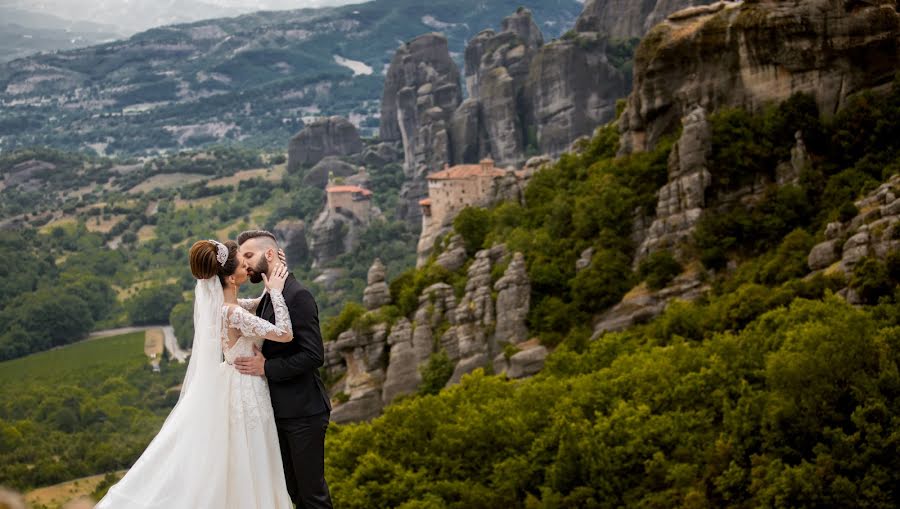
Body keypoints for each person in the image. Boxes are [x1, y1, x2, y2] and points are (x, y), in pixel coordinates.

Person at [96, 239, 293, 509]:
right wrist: (279, 293)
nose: (247, 266)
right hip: (246, 389)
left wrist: (277, 270)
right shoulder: (233, 312)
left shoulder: (227, 307)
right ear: (230, 277)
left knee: (243, 460)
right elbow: (284, 333)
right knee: (253, 458)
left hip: (237, 382)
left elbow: (260, 304)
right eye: (242, 264)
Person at [234, 230, 333, 509]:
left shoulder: (297, 295)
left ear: (268, 255)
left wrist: (267, 367)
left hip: (304, 412)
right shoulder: (271, 292)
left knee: (312, 495)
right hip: (283, 412)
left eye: (249, 256)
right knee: (294, 493)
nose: (246, 264)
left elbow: (314, 355)